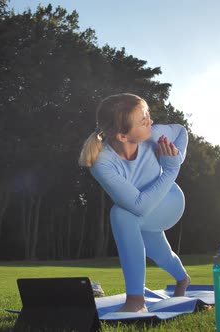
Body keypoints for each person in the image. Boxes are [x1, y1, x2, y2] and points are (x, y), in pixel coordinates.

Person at [78, 93, 191, 312]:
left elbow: (180, 130)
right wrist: (170, 168)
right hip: (143, 210)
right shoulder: (102, 164)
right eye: (143, 120)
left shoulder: (154, 134)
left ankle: (136, 301)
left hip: (170, 200)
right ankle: (182, 279)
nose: (151, 121)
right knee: (160, 253)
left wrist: (174, 160)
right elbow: (140, 206)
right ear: (122, 135)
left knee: (121, 214)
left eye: (147, 115)